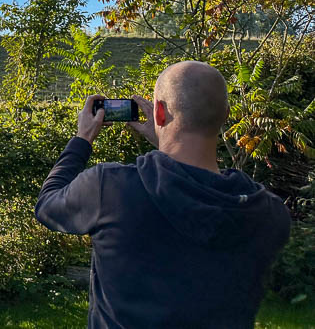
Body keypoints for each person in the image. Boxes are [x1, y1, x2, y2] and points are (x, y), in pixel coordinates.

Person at [34, 61, 291, 329]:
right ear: (225, 115)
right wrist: (167, 144)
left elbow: (47, 204)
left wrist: (82, 139)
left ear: (158, 112)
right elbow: (200, 183)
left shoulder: (109, 189)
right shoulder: (267, 213)